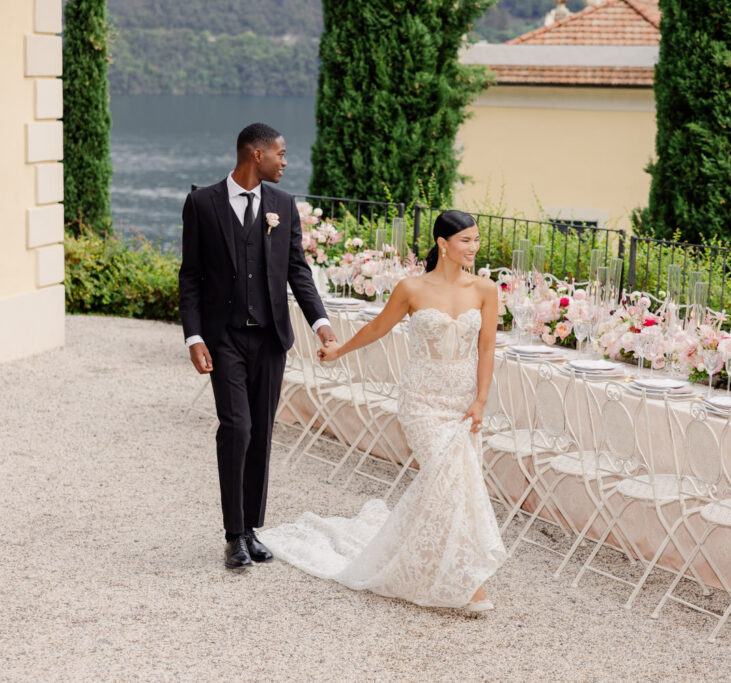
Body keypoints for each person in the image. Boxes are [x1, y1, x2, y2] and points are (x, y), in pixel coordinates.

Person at [261, 210, 506, 613]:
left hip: (462, 402)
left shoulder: (485, 289)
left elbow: (486, 348)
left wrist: (480, 400)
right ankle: (466, 580)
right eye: (466, 240)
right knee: (447, 481)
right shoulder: (411, 288)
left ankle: (445, 568)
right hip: (422, 401)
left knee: (456, 485)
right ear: (443, 244)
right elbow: (378, 328)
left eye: (477, 240)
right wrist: (339, 349)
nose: (474, 247)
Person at [179, 122, 335, 570]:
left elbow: (298, 272)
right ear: (255, 155)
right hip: (223, 337)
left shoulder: (283, 205)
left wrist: (321, 323)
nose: (286, 161)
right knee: (237, 429)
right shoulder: (202, 203)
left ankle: (251, 529)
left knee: (262, 433)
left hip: (269, 340)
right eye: (281, 154)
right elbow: (190, 276)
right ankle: (233, 536)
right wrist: (193, 336)